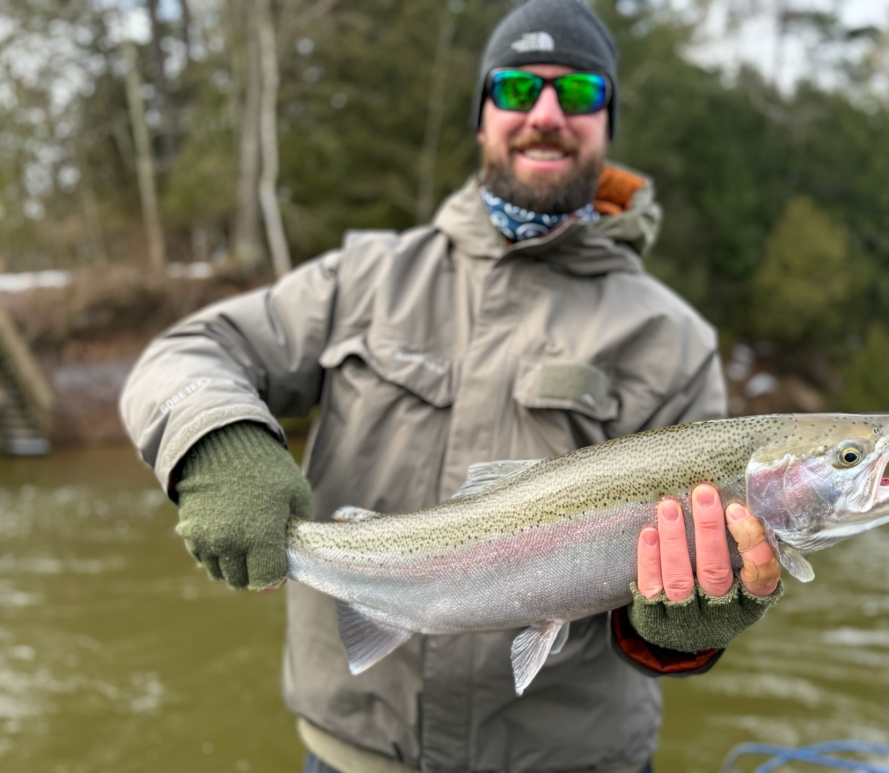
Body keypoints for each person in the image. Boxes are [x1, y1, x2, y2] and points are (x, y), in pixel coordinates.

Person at [119, 1, 783, 771]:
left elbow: (643, 629)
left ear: (607, 123)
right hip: (352, 757)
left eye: (577, 95)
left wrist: (682, 626)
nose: (544, 114)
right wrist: (214, 439)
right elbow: (187, 351)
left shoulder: (673, 339)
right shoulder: (362, 278)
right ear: (481, 117)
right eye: (514, 90)